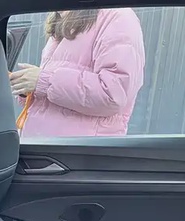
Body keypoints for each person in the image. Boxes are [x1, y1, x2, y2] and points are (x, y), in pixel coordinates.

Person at [10, 9, 145, 138]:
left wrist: (44, 82)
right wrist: (28, 85)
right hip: (45, 145)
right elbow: (51, 93)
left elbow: (114, 94)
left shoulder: (118, 17)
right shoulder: (63, 18)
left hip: (80, 149)